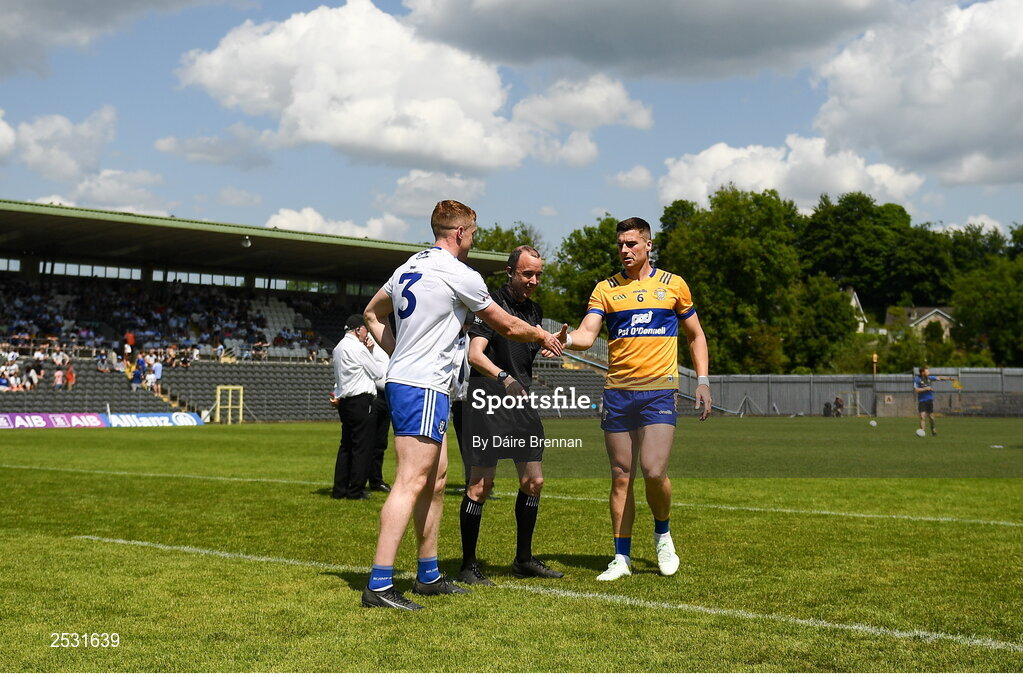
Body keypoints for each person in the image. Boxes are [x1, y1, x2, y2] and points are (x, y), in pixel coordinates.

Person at [359, 199, 563, 611]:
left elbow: (370, 313)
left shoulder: (408, 266)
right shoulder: (459, 273)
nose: (473, 239)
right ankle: (379, 584)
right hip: (423, 386)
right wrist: (542, 336)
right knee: (410, 482)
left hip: (420, 384)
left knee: (436, 482)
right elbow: (505, 324)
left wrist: (398, 354)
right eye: (473, 232)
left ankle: (429, 575)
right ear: (460, 233)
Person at [554, 217, 711, 581]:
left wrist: (702, 380)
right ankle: (621, 558)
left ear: (648, 245)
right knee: (621, 475)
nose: (625, 251)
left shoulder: (674, 285)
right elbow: (588, 333)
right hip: (618, 393)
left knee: (654, 470)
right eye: (621, 245)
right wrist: (566, 338)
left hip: (658, 390)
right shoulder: (605, 290)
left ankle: (663, 534)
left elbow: (696, 335)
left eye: (632, 244)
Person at [457, 245, 564, 586]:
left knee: (534, 481)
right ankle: (468, 566)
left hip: (521, 403)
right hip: (487, 402)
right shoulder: (491, 307)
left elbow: (525, 348)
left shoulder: (534, 310)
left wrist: (546, 344)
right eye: (527, 274)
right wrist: (503, 378)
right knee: (480, 486)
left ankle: (523, 559)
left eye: (538, 275)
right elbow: (475, 356)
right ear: (510, 272)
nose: (533, 280)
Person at [329, 314, 384, 501]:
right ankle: (355, 491)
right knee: (362, 447)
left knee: (346, 446)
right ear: (359, 329)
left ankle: (339, 489)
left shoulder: (337, 349)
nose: (366, 334)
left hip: (345, 401)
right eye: (365, 330)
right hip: (362, 401)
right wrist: (369, 351)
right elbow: (377, 373)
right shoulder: (358, 349)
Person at [366, 333, 392, 493]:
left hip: (387, 395)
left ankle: (376, 479)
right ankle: (360, 479)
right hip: (373, 393)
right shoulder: (367, 339)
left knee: (381, 441)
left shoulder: (389, 340)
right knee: (368, 439)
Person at [915, 366, 951, 436]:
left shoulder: (929, 378)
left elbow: (939, 378)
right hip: (922, 401)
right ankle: (922, 432)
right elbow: (916, 389)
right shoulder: (917, 379)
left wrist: (950, 378)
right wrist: (926, 388)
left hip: (929, 400)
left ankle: (933, 427)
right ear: (922, 372)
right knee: (922, 416)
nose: (929, 372)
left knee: (931, 417)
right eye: (927, 371)